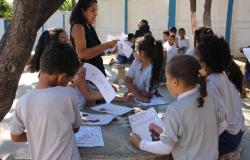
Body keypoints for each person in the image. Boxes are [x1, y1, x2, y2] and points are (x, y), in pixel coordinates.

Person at [130, 55, 227, 160]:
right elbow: (223, 124)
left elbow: (165, 148)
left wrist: (140, 143)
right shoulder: (209, 95)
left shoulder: (175, 109)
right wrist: (200, 141)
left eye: (166, 79)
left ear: (175, 82)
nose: (166, 82)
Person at [11, 43, 82, 160]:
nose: (69, 82)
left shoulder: (22, 102)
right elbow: (75, 128)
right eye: (70, 79)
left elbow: (15, 137)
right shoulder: (69, 94)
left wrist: (38, 135)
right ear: (62, 77)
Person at [195, 35, 245, 158]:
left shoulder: (211, 83)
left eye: (196, 59)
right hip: (237, 131)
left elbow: (220, 124)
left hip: (228, 137)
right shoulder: (221, 74)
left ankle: (223, 155)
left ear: (204, 65)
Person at [70, 0, 117, 76]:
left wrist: (110, 49)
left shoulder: (88, 26)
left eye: (96, 10)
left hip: (97, 72)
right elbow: (82, 54)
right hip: (87, 76)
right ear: (83, 11)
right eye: (92, 11)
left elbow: (95, 49)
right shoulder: (78, 27)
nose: (96, 14)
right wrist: (107, 45)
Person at [125, 34, 163, 100]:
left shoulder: (152, 69)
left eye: (135, 50)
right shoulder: (136, 62)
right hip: (138, 97)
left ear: (142, 53)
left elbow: (148, 95)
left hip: (151, 102)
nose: (133, 52)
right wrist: (135, 93)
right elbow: (128, 80)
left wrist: (134, 93)